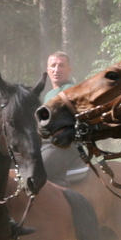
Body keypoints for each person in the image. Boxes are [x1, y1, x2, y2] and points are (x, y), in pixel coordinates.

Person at [39, 52, 86, 186]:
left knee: (38, 171)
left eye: (61, 65)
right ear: (48, 70)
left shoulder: (71, 90)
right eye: (53, 66)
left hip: (66, 146)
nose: (56, 69)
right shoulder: (48, 94)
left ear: (69, 70)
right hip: (48, 145)